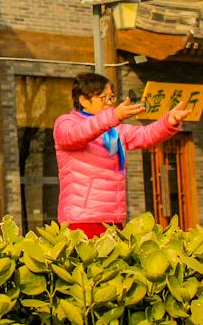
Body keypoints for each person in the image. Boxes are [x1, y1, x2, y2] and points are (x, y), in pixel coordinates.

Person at [54, 72, 188, 237]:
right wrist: (114, 116)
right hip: (82, 219)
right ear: (83, 100)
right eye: (104, 98)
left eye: (111, 97)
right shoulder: (66, 123)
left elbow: (145, 135)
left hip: (113, 217)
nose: (110, 103)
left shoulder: (114, 130)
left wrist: (168, 122)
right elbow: (76, 134)